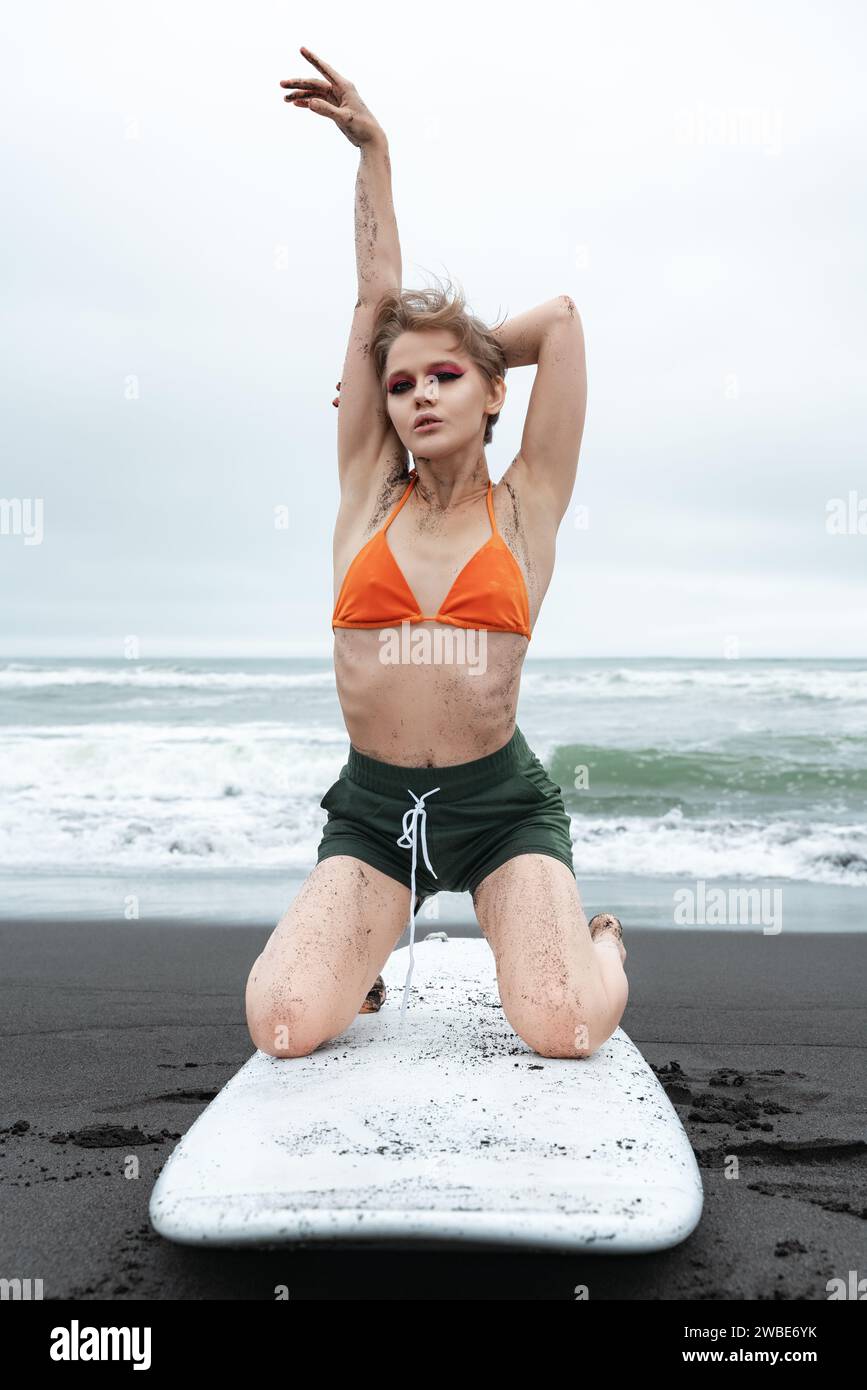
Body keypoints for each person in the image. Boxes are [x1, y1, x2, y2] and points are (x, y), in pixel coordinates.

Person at [245, 46, 628, 1058]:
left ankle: (605, 947)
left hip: (499, 812)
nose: (417, 395)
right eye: (401, 383)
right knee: (280, 1021)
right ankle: (366, 950)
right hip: (376, 818)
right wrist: (373, 149)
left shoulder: (526, 506)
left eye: (444, 378)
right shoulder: (368, 492)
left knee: (566, 1023)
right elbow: (376, 289)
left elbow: (566, 320)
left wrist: (465, 344)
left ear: (494, 391)